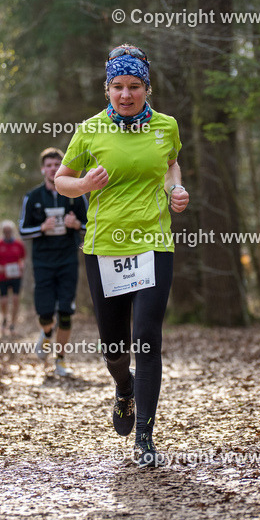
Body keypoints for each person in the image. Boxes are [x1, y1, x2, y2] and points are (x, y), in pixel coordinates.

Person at [54, 43, 188, 467]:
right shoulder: (90, 129)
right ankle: (124, 387)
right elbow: (62, 179)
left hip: (153, 243)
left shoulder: (166, 126)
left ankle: (145, 437)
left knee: (147, 339)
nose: (126, 95)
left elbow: (170, 165)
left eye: (134, 86)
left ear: (147, 89)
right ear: (107, 89)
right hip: (104, 248)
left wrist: (175, 190)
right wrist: (83, 187)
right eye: (118, 86)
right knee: (114, 349)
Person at [18, 147, 88, 377]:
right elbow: (22, 230)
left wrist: (77, 225)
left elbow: (93, 225)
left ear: (63, 167)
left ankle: (61, 360)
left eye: (57, 165)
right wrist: (41, 228)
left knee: (66, 311)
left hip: (68, 259)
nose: (53, 169)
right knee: (46, 313)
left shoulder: (76, 193)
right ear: (42, 169)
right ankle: (46, 334)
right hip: (43, 262)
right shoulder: (33, 196)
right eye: (48, 165)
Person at [0, 220, 26, 336]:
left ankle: (13, 324)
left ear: (12, 231)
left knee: (16, 299)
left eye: (9, 230)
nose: (7, 232)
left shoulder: (18, 244)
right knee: (4, 300)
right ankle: (4, 318)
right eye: (5, 231)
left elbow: (23, 259)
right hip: (3, 276)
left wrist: (21, 266)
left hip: (16, 275)